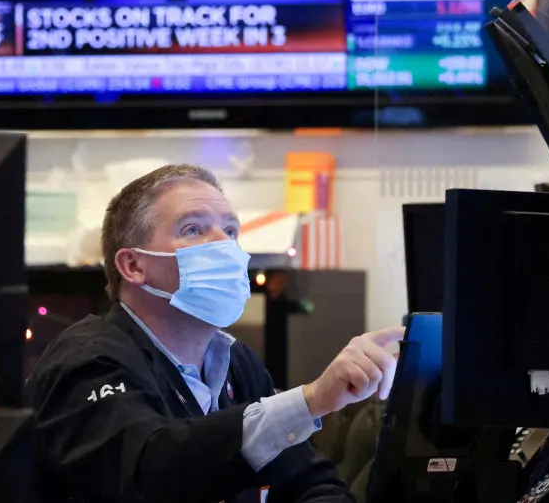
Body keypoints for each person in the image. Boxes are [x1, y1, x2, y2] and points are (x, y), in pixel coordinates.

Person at [27, 164, 403, 503]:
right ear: (133, 265)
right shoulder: (88, 361)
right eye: (193, 229)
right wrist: (310, 399)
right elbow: (149, 472)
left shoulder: (234, 360)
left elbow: (308, 481)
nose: (224, 244)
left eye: (230, 230)